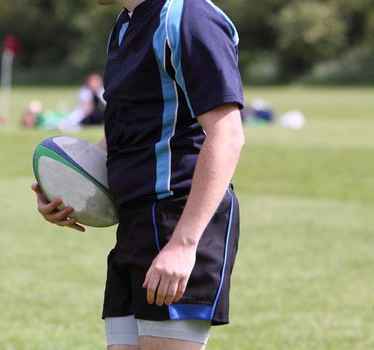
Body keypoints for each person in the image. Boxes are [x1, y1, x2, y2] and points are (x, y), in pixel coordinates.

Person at [34, 0, 245, 349]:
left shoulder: (188, 16)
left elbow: (227, 134)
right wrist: (69, 189)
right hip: (133, 223)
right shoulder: (125, 25)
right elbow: (127, 131)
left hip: (177, 216)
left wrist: (183, 244)